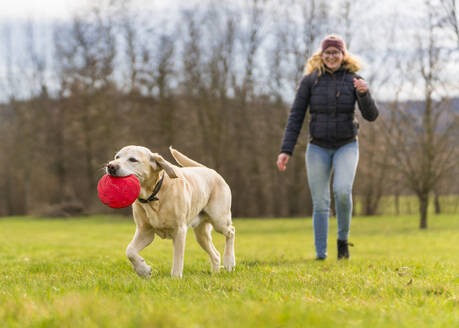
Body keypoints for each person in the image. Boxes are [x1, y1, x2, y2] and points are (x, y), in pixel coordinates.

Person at [277, 35, 379, 260]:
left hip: (346, 145)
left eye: (336, 52)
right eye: (328, 52)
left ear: (343, 55)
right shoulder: (310, 81)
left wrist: (364, 94)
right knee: (321, 201)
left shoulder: (354, 80)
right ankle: (320, 253)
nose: (332, 56)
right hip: (318, 147)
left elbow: (371, 116)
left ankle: (343, 241)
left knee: (342, 192)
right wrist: (286, 150)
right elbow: (295, 116)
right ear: (321, 56)